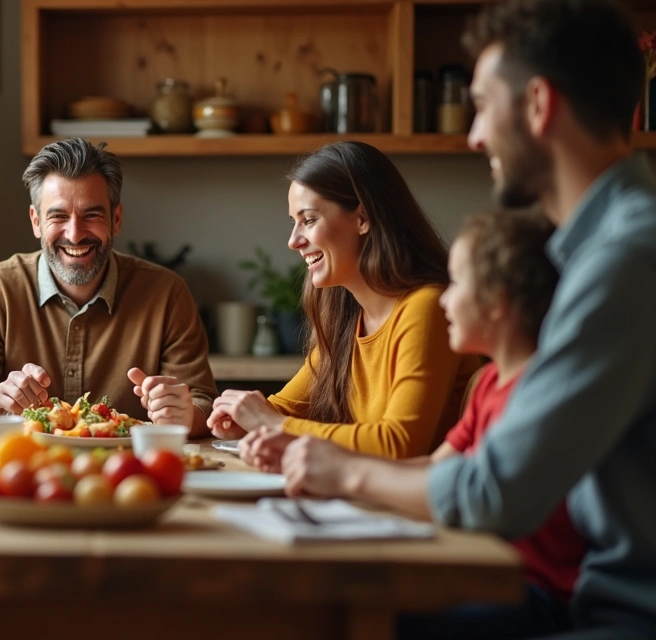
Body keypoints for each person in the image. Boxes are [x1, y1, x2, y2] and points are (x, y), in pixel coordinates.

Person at [285, 0, 656, 637]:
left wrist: (342, 470)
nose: (474, 135)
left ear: (539, 105)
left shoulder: (624, 262)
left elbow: (493, 492)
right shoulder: (602, 249)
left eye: (483, 105)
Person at [280, 210, 583, 637]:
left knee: (370, 622)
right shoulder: (490, 382)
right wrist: (333, 472)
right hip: (486, 567)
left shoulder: (540, 393)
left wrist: (347, 473)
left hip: (535, 590)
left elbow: (474, 495)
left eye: (456, 285)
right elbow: (437, 469)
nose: (441, 299)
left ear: (497, 301)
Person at [208, 141, 480, 461]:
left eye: (308, 220)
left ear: (362, 218)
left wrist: (272, 424)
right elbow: (282, 409)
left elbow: (399, 444)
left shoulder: (427, 307)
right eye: (294, 222)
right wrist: (241, 420)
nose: (293, 241)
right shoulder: (345, 315)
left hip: (415, 507)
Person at [0, 138, 217, 436]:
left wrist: (184, 415)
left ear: (116, 219)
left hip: (128, 471)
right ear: (36, 221)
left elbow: (203, 404)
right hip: (24, 465)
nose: (75, 234)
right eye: (58, 216)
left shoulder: (168, 293)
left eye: (92, 215)